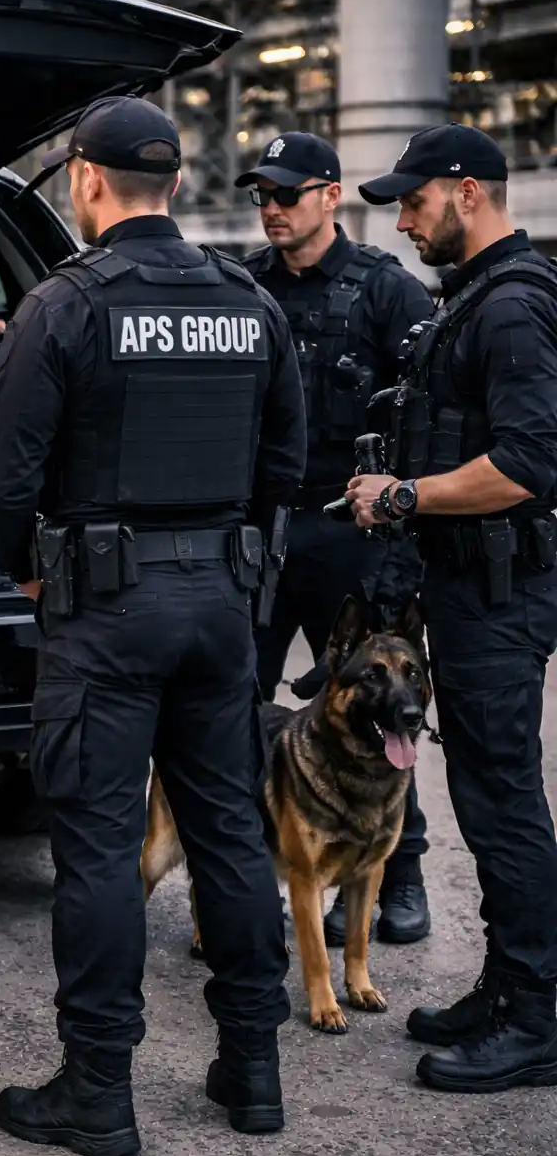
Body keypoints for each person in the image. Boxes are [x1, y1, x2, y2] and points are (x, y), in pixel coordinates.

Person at [0, 96, 307, 1156]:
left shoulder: (65, 305)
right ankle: (253, 1070)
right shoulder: (247, 301)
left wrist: (33, 572)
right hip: (220, 606)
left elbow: (3, 480)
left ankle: (98, 1090)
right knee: (230, 834)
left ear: (84, 180)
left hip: (106, 613)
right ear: (171, 183)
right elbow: (287, 461)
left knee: (100, 850)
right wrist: (235, 562)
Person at [347, 123, 557, 1094]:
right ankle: (507, 987)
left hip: (499, 595)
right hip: (468, 588)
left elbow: (527, 464)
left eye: (414, 200)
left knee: (504, 805)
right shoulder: (475, 297)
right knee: (482, 796)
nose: (403, 221)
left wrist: (403, 496)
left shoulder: (511, 307)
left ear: (467, 192)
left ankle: (537, 1017)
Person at [235, 132, 437, 947]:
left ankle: (401, 876)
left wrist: (404, 513)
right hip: (260, 526)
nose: (272, 208)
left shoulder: (386, 290)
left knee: (382, 710)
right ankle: (246, 880)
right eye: (263, 195)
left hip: (351, 533)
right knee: (232, 707)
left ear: (329, 195)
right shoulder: (241, 285)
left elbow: (432, 410)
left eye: (287, 193)